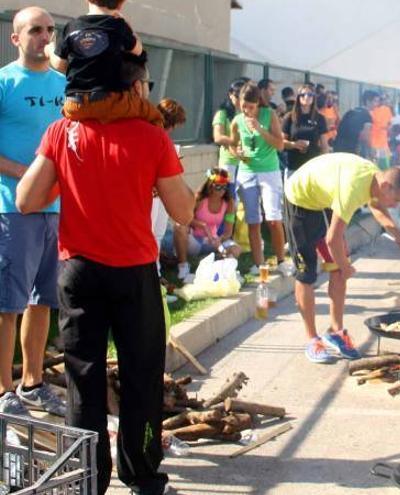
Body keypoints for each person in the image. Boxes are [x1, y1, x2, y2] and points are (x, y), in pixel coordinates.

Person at [16, 52, 194, 495]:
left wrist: (69, 174)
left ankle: (88, 480)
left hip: (78, 273)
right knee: (141, 376)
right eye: (146, 85)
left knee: (84, 379)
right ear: (134, 89)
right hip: (133, 274)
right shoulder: (152, 137)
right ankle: (144, 477)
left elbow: (26, 199)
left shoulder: (61, 131)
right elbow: (183, 211)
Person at [0, 6, 67, 418]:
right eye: (35, 30)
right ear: (16, 38)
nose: (45, 36)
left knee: (44, 301)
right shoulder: (5, 83)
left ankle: (33, 382)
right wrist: (25, 174)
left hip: (58, 210)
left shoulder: (66, 85)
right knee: (9, 304)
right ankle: (4, 389)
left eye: (50, 30)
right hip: (13, 210)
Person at [285, 154, 400, 363]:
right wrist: (346, 267)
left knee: (337, 269)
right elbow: (332, 239)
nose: (396, 206)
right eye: (396, 200)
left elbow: (377, 206)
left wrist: (397, 235)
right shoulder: (352, 189)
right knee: (306, 273)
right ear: (386, 186)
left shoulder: (375, 182)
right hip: (300, 198)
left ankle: (336, 332)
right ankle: (312, 339)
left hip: (323, 199)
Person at [48, 0, 163, 127]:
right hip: (109, 101)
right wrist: (129, 28)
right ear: (121, 4)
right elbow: (138, 51)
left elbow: (59, 63)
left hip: (75, 105)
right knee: (154, 116)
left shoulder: (71, 27)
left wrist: (49, 50)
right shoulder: (118, 26)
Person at [230, 81, 289, 276]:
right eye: (243, 106)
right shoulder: (237, 121)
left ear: (258, 104)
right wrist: (238, 153)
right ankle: (259, 264)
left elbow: (280, 145)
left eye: (251, 107)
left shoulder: (269, 115)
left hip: (269, 172)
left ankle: (281, 260)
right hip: (247, 172)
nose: (247, 111)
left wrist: (260, 130)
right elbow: (232, 145)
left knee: (273, 219)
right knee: (253, 221)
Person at [166, 168, 241, 278]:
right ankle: (183, 267)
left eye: (224, 187)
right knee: (179, 227)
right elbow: (185, 218)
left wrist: (220, 239)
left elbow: (228, 232)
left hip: (214, 242)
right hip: (196, 241)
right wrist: (203, 225)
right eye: (218, 186)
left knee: (236, 249)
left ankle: (223, 268)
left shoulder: (229, 203)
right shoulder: (199, 198)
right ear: (210, 185)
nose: (222, 190)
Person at [151, 98, 186, 278]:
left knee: (157, 234)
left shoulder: (163, 137)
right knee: (151, 236)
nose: (172, 130)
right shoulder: (151, 135)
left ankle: (156, 275)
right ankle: (152, 276)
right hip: (151, 195)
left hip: (160, 194)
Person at [281, 84, 329, 174]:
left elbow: (324, 146)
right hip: (294, 166)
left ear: (313, 98)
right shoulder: (289, 117)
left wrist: (325, 165)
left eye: (310, 95)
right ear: (298, 97)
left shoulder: (319, 118)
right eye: (303, 95)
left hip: (313, 167)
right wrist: (294, 144)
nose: (306, 97)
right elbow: (281, 142)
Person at [212, 77, 249, 183]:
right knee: (228, 194)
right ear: (230, 95)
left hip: (247, 161)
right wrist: (236, 143)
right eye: (237, 96)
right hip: (229, 162)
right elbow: (217, 137)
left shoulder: (249, 113)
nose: (240, 100)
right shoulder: (222, 114)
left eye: (243, 97)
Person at [334, 90, 377, 157]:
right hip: (350, 148)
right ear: (368, 101)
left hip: (338, 146)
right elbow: (366, 136)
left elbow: (340, 127)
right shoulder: (367, 116)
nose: (377, 104)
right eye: (375, 101)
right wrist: (371, 149)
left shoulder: (351, 111)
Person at [370, 95, 394, 170]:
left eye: (387, 99)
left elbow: (390, 124)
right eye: (383, 99)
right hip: (374, 144)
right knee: (375, 166)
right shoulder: (372, 111)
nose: (386, 101)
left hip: (384, 144)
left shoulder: (387, 110)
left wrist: (387, 128)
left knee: (385, 167)